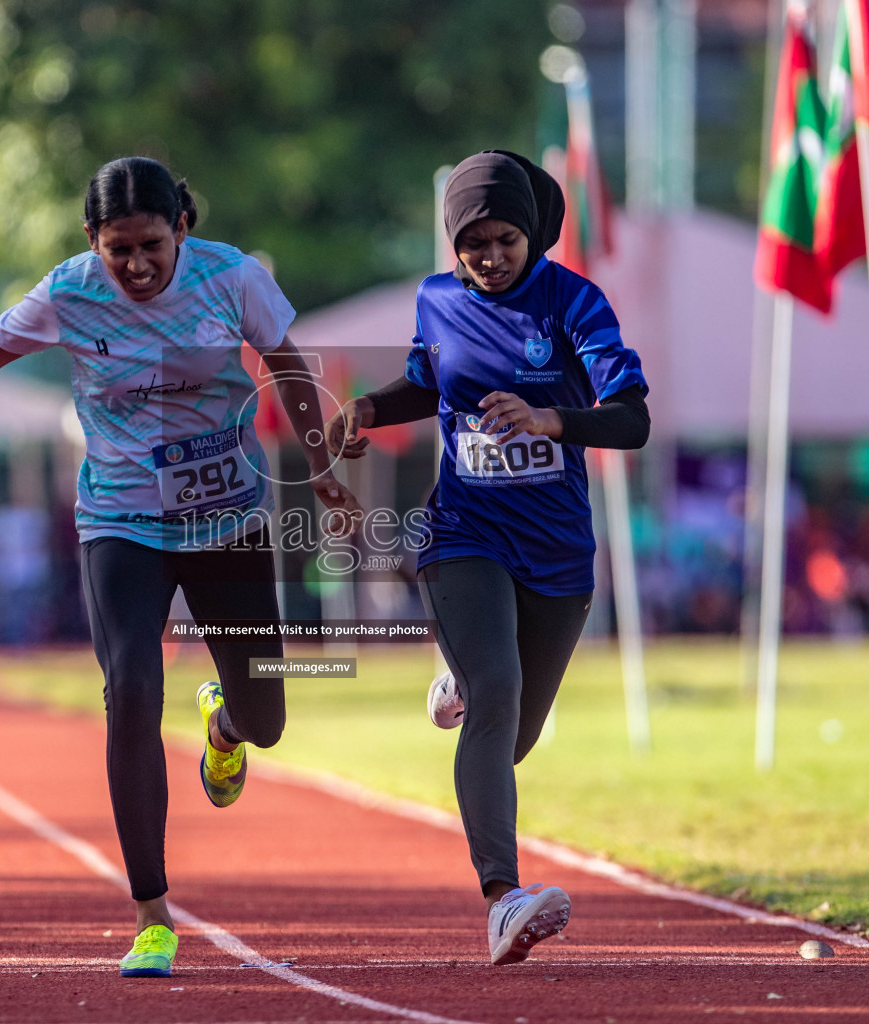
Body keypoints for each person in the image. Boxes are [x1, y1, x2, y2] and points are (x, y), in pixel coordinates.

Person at [0, 156, 359, 978]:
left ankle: (225, 726)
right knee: (130, 689)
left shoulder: (232, 279)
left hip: (228, 517)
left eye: (151, 246)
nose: (135, 265)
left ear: (183, 230)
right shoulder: (68, 291)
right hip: (121, 521)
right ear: (92, 240)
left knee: (266, 718)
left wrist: (318, 468)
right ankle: (152, 914)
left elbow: (288, 364)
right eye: (118, 248)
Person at [325, 150, 649, 965]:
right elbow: (423, 386)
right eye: (473, 242)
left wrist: (552, 420)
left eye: (505, 239)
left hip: (558, 551)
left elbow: (633, 419)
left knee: (510, 737)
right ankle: (503, 898)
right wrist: (368, 406)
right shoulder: (436, 302)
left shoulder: (574, 301)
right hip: (463, 530)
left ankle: (461, 678)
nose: (490, 257)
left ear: (532, 236)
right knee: (496, 688)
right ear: (453, 243)